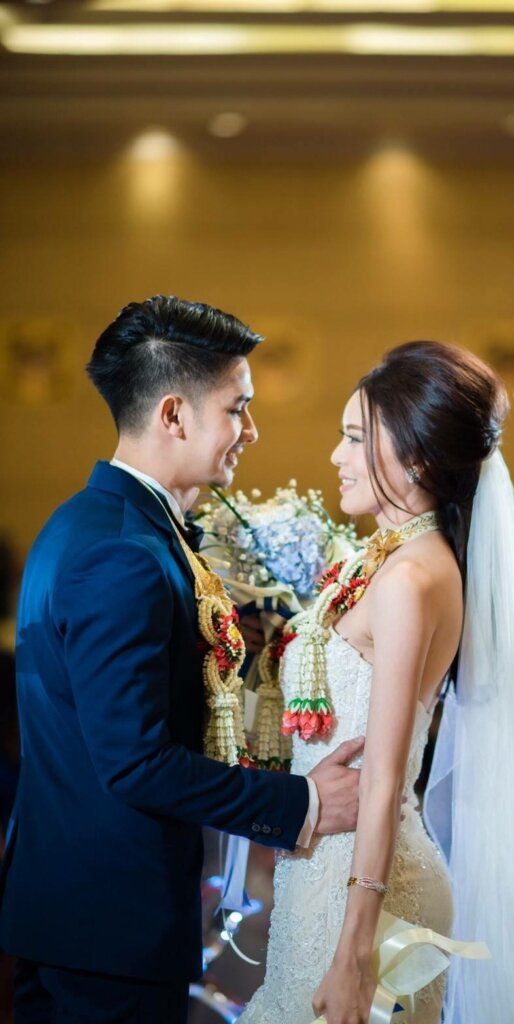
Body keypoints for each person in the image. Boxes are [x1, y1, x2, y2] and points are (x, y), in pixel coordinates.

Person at [0, 296, 363, 1024]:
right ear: (174, 414)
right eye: (237, 408)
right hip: (109, 931)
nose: (250, 431)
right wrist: (303, 803)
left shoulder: (89, 524)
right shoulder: (123, 555)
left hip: (80, 915)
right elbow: (135, 761)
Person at [240, 340, 514, 1024]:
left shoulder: (410, 578)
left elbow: (385, 773)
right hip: (328, 868)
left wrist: (355, 951)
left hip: (368, 887)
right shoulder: (389, 560)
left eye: (354, 439)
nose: (336, 456)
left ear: (418, 459)